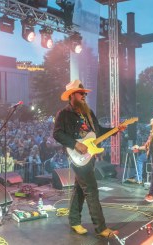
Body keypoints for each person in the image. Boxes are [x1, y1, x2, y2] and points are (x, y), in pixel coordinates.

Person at [53, 79, 126, 238]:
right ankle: (101, 228)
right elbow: (57, 134)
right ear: (72, 95)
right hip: (77, 157)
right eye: (81, 93)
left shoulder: (88, 113)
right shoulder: (64, 114)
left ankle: (74, 221)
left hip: (89, 157)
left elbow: (98, 132)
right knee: (91, 190)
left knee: (80, 189)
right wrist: (75, 145)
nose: (84, 95)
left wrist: (115, 129)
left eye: (85, 93)